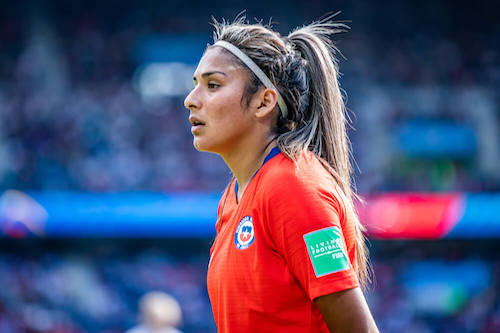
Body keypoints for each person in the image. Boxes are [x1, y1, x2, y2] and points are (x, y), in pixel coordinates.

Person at [184, 14, 379, 333]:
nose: (191, 101)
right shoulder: (233, 198)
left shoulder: (294, 186)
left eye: (213, 85)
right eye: (196, 86)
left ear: (263, 102)